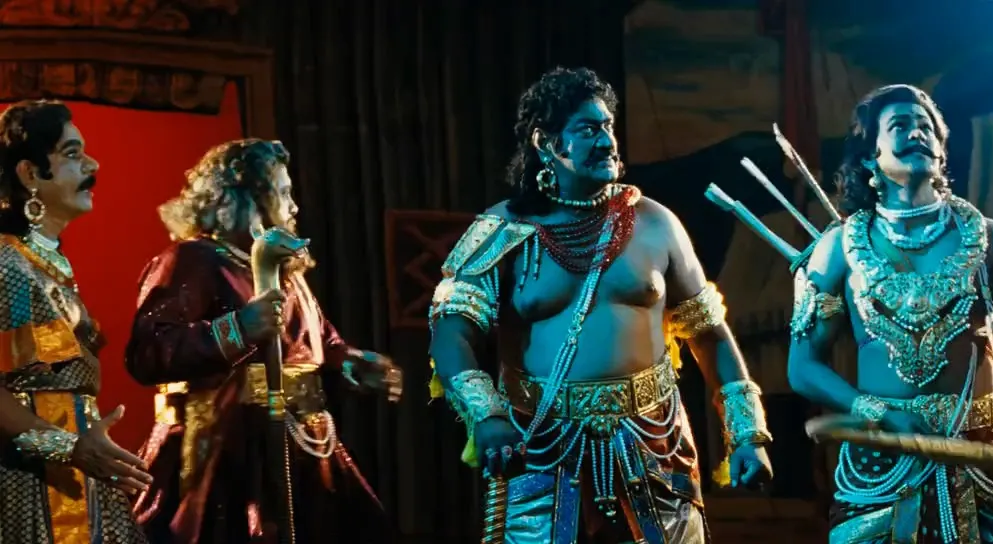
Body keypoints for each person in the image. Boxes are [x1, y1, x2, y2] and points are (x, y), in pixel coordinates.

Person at [428, 66, 774, 543]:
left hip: (654, 444)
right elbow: (451, 334)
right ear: (546, 142)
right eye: (589, 129)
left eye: (609, 126)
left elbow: (710, 336)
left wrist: (748, 435)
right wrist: (486, 415)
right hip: (542, 447)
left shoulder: (657, 224)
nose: (608, 141)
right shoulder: (502, 232)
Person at [787, 84, 993, 543]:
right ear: (869, 157)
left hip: (979, 456)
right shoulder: (837, 249)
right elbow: (802, 367)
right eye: (899, 126)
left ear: (941, 153)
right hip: (882, 460)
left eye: (926, 126)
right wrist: (879, 413)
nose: (916, 133)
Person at [125, 138, 404, 544]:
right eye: (283, 193)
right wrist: (238, 328)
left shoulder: (285, 271)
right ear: (242, 200)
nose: (294, 207)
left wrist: (349, 361)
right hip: (226, 461)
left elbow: (318, 339)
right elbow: (149, 351)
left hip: (303, 453)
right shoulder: (194, 260)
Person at [0, 99, 150, 543]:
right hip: (25, 485)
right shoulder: (7, 264)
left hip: (77, 476)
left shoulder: (46, 263)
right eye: (71, 153)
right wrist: (67, 446)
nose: (92, 164)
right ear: (30, 174)